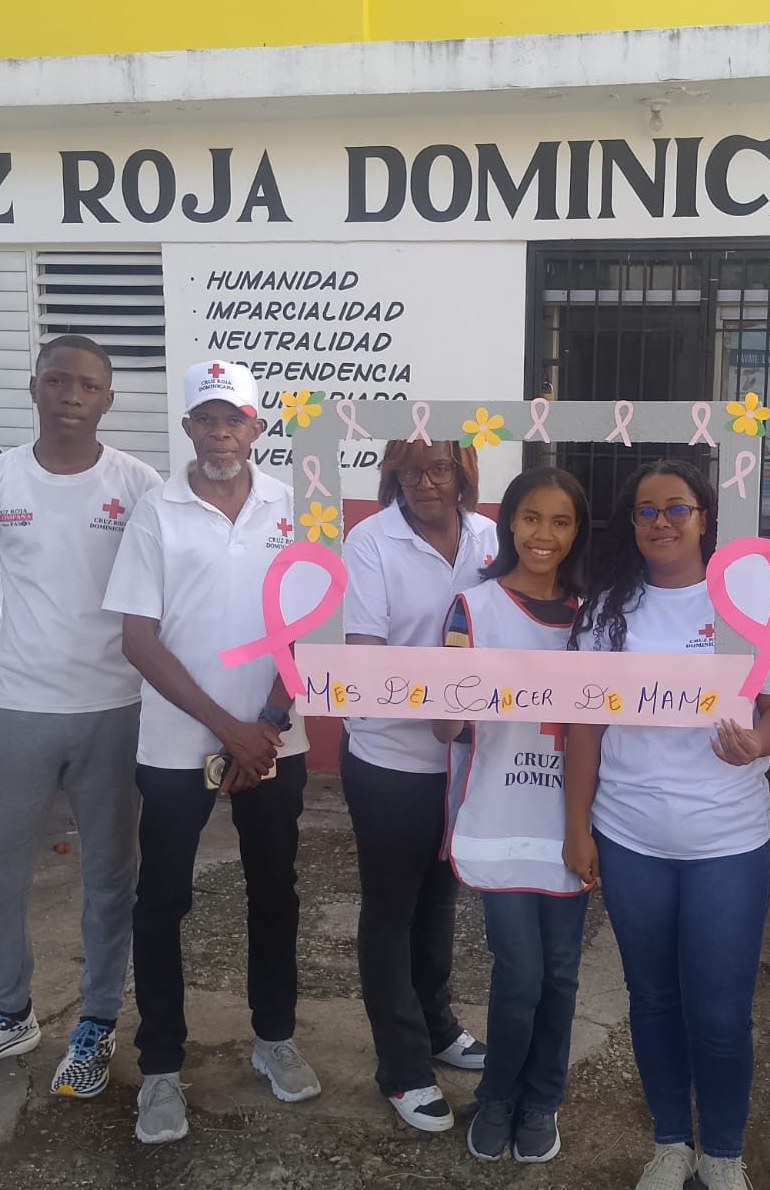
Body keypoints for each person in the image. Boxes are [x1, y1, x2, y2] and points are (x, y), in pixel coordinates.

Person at [0, 335, 161, 1096]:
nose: (71, 396)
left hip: (115, 709)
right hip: (19, 709)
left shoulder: (140, 485)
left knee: (110, 877)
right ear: (34, 388)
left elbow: (164, 601)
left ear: (108, 400)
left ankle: (97, 1021)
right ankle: (9, 1011)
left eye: (87, 386)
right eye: (57, 381)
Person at [565, 459, 770, 1190]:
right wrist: (577, 827)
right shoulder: (607, 611)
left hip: (726, 842)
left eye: (677, 508)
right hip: (630, 836)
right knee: (653, 1000)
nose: (661, 522)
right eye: (646, 511)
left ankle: (724, 1154)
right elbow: (584, 727)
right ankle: (671, 1143)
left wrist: (759, 743)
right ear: (631, 524)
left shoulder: (745, 602)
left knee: (721, 1013)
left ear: (705, 518)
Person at [103, 361, 322, 1144]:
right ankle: (161, 1070)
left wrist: (265, 721)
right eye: (207, 418)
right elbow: (139, 639)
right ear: (188, 427)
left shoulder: (295, 507)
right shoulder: (156, 510)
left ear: (257, 427)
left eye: (235, 419)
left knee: (275, 891)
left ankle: (275, 1038)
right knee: (162, 900)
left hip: (276, 736)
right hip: (176, 742)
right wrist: (228, 729)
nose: (221, 433)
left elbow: (311, 623)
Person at [430, 468, 592, 1164]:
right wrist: (449, 707)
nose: (543, 535)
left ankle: (541, 1100)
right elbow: (446, 725)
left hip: (569, 821)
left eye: (560, 521)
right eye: (530, 518)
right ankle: (497, 1095)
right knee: (520, 971)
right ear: (508, 524)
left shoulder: (596, 616)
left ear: (577, 532)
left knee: (560, 973)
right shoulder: (472, 608)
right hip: (498, 815)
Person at [341, 438, 499, 1131]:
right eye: (409, 471)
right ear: (393, 477)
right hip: (390, 759)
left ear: (463, 473)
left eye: (439, 468)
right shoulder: (370, 542)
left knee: (440, 900)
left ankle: (436, 1027)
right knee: (390, 911)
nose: (426, 482)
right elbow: (365, 658)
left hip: (464, 761)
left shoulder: (490, 538)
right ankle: (402, 1066)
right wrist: (448, 698)